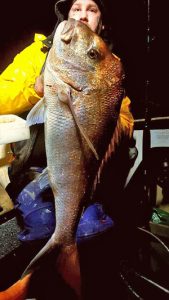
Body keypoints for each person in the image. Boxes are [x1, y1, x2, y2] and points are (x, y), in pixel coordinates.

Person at [0, 0, 137, 299]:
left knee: (90, 229)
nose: (82, 15)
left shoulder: (108, 67)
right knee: (40, 223)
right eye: (76, 8)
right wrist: (35, 89)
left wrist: (106, 110)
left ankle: (38, 284)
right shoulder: (37, 55)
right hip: (34, 168)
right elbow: (2, 96)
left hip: (82, 173)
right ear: (65, 14)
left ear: (102, 21)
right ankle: (42, 281)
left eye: (92, 9)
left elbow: (125, 123)